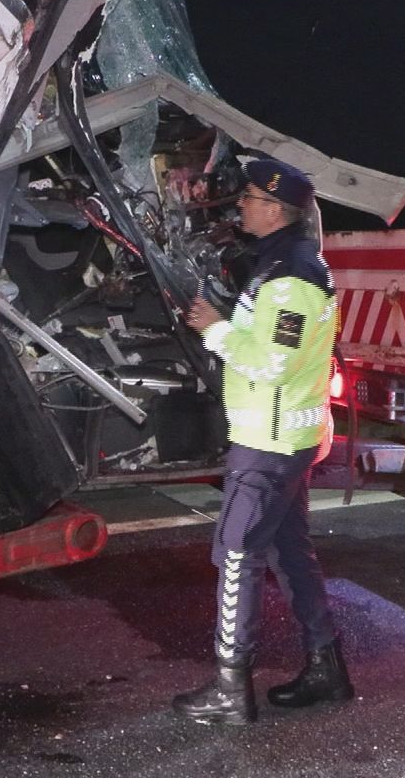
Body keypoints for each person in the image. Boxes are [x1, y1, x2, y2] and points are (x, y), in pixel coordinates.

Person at [171, 157, 355, 725]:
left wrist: (215, 329)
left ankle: (231, 689)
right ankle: (327, 669)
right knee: (289, 552)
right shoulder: (281, 264)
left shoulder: (290, 279)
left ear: (275, 209)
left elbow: (274, 363)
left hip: (270, 444)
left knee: (236, 553)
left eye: (250, 198)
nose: (241, 204)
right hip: (285, 437)